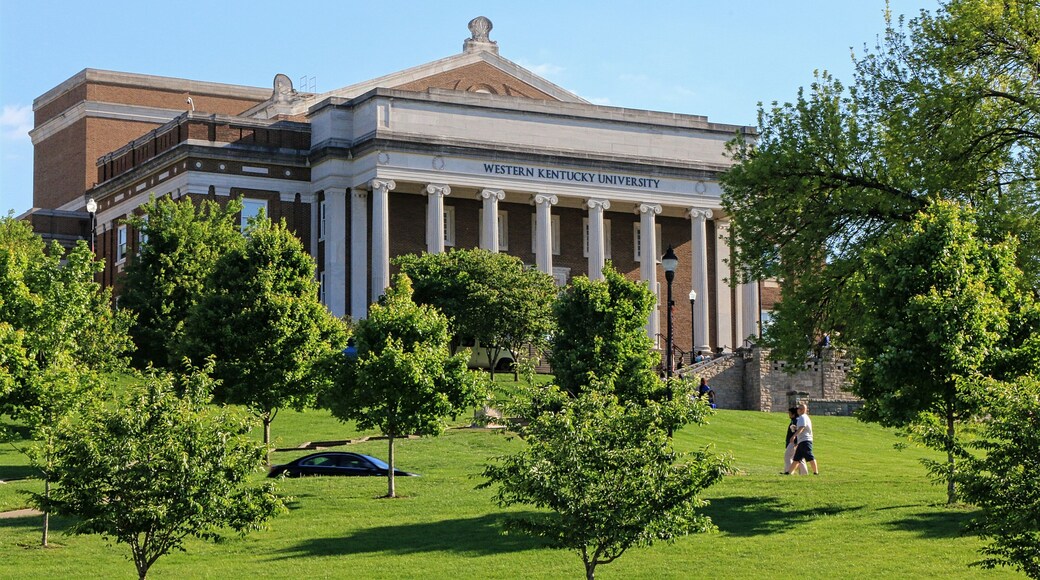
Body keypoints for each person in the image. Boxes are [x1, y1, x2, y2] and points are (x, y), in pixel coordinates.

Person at [786, 403, 819, 475]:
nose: (797, 410)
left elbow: (802, 428)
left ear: (802, 410)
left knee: (809, 456)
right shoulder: (804, 417)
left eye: (799, 408)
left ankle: (816, 472)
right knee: (796, 458)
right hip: (802, 440)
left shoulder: (802, 417)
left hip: (805, 440)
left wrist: (794, 436)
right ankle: (789, 473)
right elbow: (801, 428)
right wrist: (795, 428)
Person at [784, 407, 808, 475]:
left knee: (788, 456)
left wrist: (795, 442)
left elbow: (797, 432)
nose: (788, 414)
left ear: (793, 414)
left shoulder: (795, 421)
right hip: (796, 442)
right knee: (799, 458)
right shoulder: (795, 420)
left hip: (794, 442)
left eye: (789, 413)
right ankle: (804, 473)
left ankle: (789, 471)